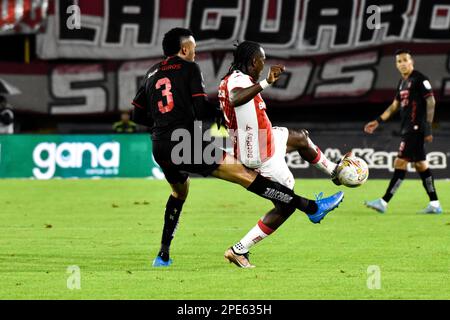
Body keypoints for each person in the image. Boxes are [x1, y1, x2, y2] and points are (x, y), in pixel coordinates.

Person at [131, 28, 344, 268]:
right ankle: (312, 207)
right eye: (193, 48)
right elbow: (201, 110)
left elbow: (137, 115)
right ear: (184, 50)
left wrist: (163, 124)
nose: (195, 53)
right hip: (186, 142)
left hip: (160, 145)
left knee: (179, 194)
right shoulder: (189, 68)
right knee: (246, 176)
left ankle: (163, 255)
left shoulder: (151, 72)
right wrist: (211, 116)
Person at [218, 41, 348, 268]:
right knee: (286, 204)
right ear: (253, 62)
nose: (263, 64)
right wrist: (266, 82)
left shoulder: (231, 78)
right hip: (259, 153)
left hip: (264, 138)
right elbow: (235, 99)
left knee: (300, 137)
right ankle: (239, 250)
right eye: (262, 60)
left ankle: (334, 172)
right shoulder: (239, 81)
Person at [364, 49, 442, 214]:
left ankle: (383, 202)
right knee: (421, 165)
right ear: (396, 64)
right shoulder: (402, 83)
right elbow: (394, 106)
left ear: (411, 61)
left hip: (416, 128)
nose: (402, 63)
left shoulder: (420, 79)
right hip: (408, 129)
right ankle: (435, 203)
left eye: (405, 60)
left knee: (400, 163)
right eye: (399, 61)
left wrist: (427, 126)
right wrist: (377, 121)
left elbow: (431, 101)